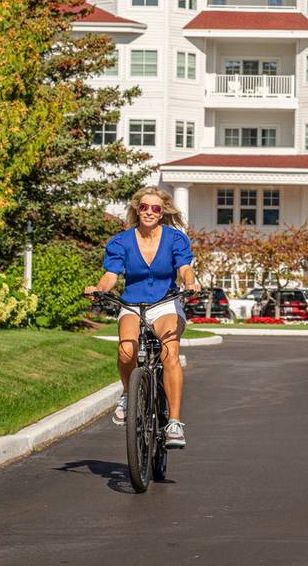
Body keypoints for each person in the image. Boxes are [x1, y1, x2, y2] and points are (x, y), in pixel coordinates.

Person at [85, 186, 199, 449]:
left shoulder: (175, 239)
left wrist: (191, 283)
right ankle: (128, 393)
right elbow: (111, 275)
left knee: (169, 352)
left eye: (155, 208)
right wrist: (100, 290)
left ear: (162, 213)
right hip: (132, 303)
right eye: (144, 207)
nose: (149, 212)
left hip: (165, 303)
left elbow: (184, 268)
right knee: (126, 351)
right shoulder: (121, 241)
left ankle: (174, 423)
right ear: (137, 209)